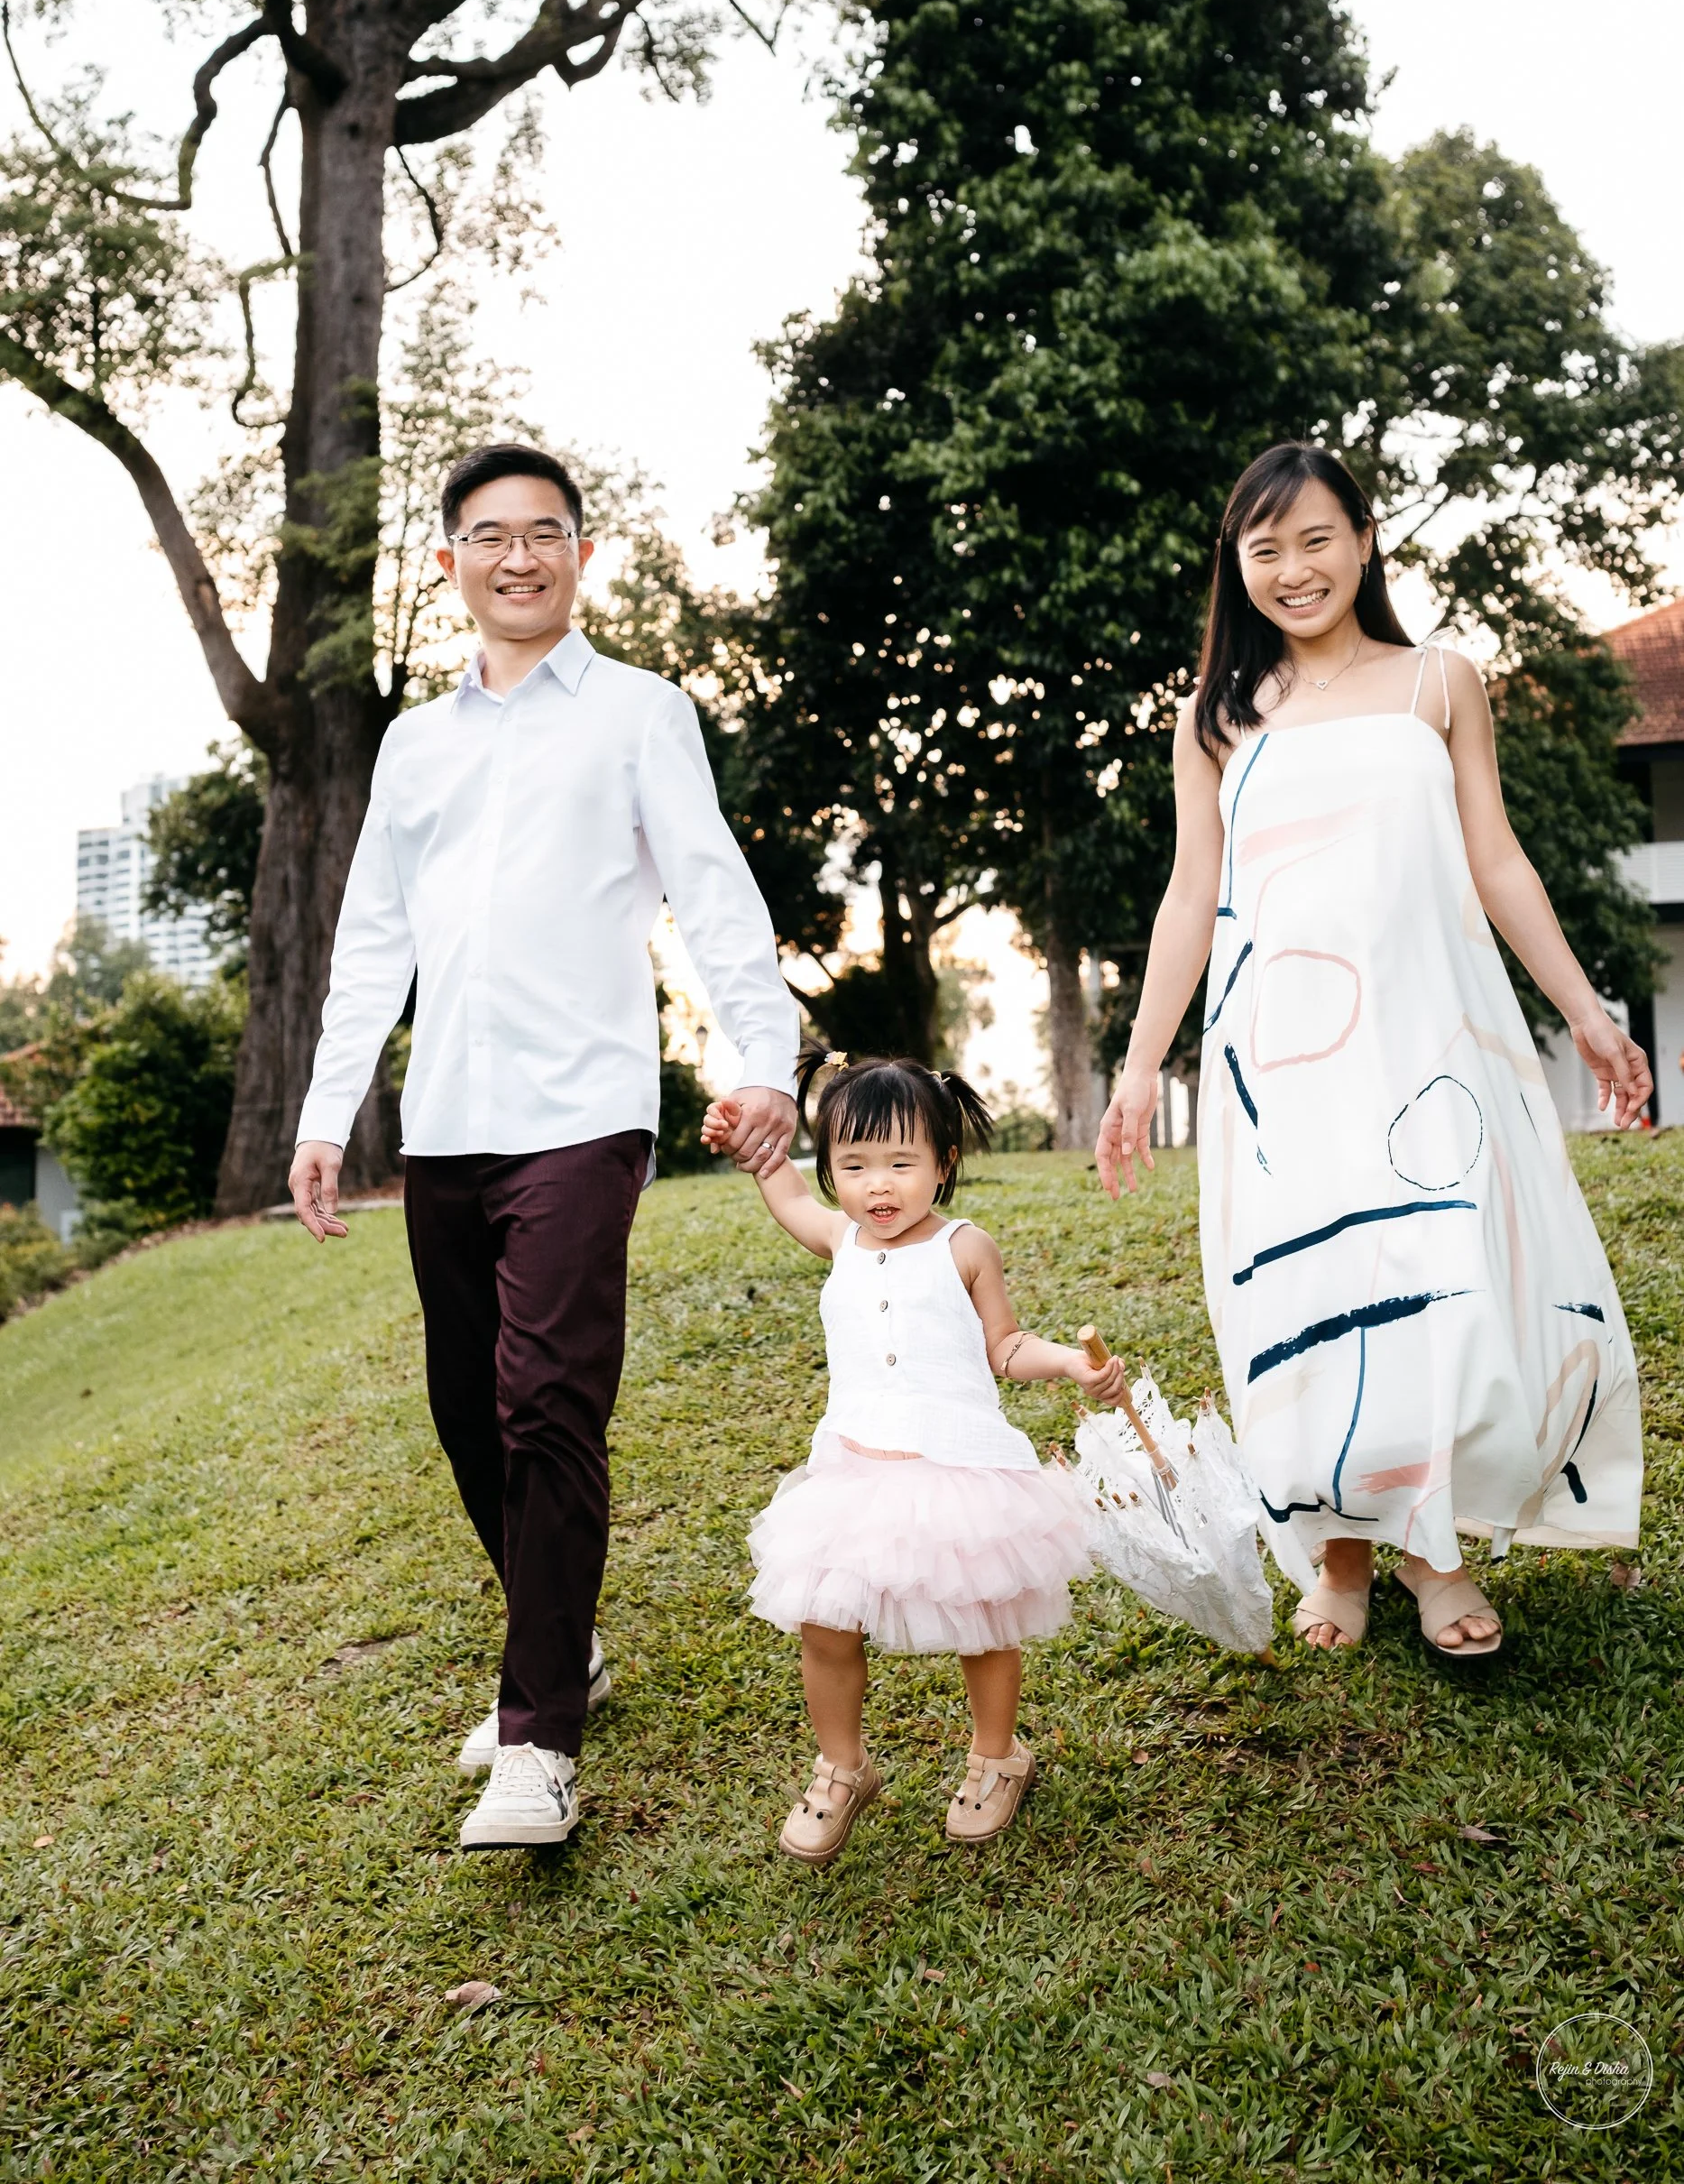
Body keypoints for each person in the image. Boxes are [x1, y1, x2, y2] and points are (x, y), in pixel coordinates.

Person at [289, 443, 799, 1849]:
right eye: (489, 535)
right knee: (469, 1412)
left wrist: (771, 1062)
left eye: (545, 533)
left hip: (585, 1113)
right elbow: (372, 936)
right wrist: (329, 1111)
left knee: (547, 1407)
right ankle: (559, 1642)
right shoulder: (416, 742)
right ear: (448, 560)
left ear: (579, 554)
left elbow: (712, 889)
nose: (518, 556)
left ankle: (540, 1742)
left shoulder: (640, 713)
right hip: (447, 1120)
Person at [1096, 442, 1647, 1660]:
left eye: (1314, 540)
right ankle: (1333, 1554)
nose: (1292, 570)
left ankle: (1428, 1552)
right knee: (1310, 1290)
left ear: (1360, 541)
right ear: (1234, 568)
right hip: (1274, 1065)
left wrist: (1588, 1011)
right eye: (1263, 549)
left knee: (1432, 1282)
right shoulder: (1215, 718)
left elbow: (1494, 859)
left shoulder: (1436, 683)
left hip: (1422, 1043)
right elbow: (1191, 896)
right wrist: (1139, 1065)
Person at [704, 1054, 1128, 1864]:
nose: (878, 1186)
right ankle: (841, 1767)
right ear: (830, 1170)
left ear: (944, 1164)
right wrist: (744, 1140)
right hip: (855, 1467)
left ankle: (996, 1757)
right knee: (825, 1622)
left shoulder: (966, 1248)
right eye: (853, 1166)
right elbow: (781, 1187)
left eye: (901, 1162)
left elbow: (1004, 1345)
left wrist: (1072, 1365)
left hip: (959, 1467)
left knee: (983, 1615)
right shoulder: (838, 1238)